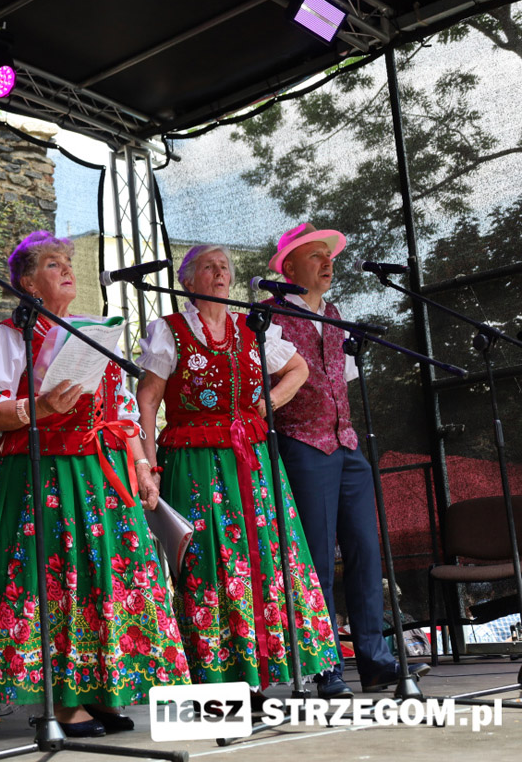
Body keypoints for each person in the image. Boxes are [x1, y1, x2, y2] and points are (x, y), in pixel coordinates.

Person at [0, 232, 188, 737]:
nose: (67, 270)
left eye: (69, 262)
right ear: (28, 282)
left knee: (103, 578)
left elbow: (124, 414)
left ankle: (101, 690)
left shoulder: (95, 333)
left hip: (102, 473)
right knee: (58, 579)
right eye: (53, 264)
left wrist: (140, 467)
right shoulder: (10, 336)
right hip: (45, 474)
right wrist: (39, 409)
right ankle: (63, 702)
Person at [135, 244, 338, 694]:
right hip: (194, 461)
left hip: (251, 459)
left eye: (225, 266)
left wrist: (266, 407)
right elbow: (147, 399)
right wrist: (146, 464)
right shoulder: (169, 330)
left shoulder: (253, 327)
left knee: (263, 555)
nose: (220, 273)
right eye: (209, 267)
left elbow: (299, 369)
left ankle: (263, 677)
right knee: (209, 560)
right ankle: (218, 679)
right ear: (189, 281)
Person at [266, 223, 430, 696]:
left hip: (348, 444)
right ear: (290, 266)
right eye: (315, 256)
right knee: (315, 555)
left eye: (328, 255)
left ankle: (376, 660)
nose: (327, 263)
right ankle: (325, 668)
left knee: (365, 551)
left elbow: (344, 377)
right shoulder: (270, 317)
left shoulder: (336, 314)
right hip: (302, 444)